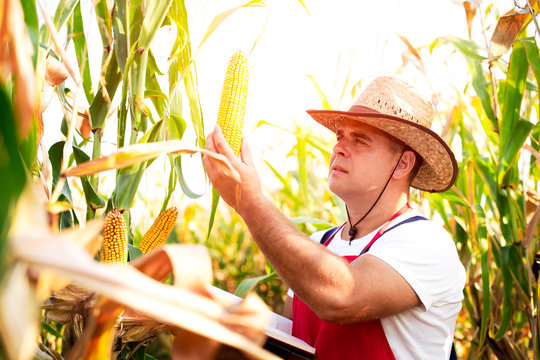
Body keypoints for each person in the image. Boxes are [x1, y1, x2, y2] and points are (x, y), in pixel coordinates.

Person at [203, 76, 466, 359]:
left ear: (402, 163)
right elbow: (292, 344)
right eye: (340, 137)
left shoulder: (427, 242)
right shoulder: (319, 243)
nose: (339, 147)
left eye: (360, 140)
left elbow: (344, 296)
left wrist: (248, 200)